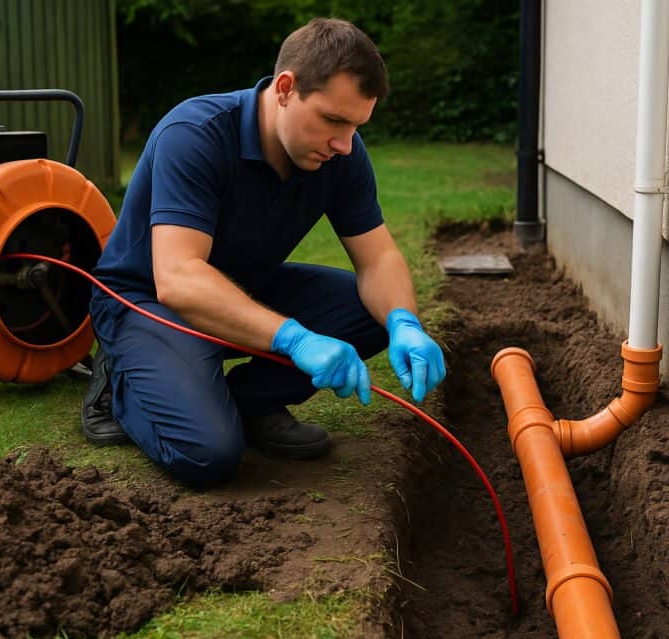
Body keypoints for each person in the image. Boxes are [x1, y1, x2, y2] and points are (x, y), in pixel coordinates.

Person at [82, 17, 446, 486]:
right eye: (333, 120)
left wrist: (405, 323)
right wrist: (295, 339)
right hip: (146, 301)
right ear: (285, 88)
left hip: (243, 283)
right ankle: (120, 384)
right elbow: (178, 276)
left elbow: (378, 259)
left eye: (356, 125)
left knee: (373, 308)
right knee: (208, 453)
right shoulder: (196, 134)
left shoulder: (343, 154)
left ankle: (251, 400)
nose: (344, 143)